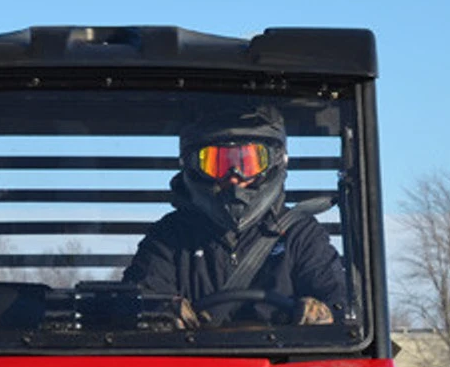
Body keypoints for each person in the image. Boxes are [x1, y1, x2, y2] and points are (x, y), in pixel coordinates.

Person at [123, 105, 346, 328]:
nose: (234, 178)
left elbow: (341, 306)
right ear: (193, 167)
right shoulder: (170, 237)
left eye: (248, 162)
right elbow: (136, 305)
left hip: (284, 361)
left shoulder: (300, 235)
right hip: (194, 361)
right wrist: (161, 311)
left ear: (274, 163)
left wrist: (322, 313)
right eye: (216, 163)